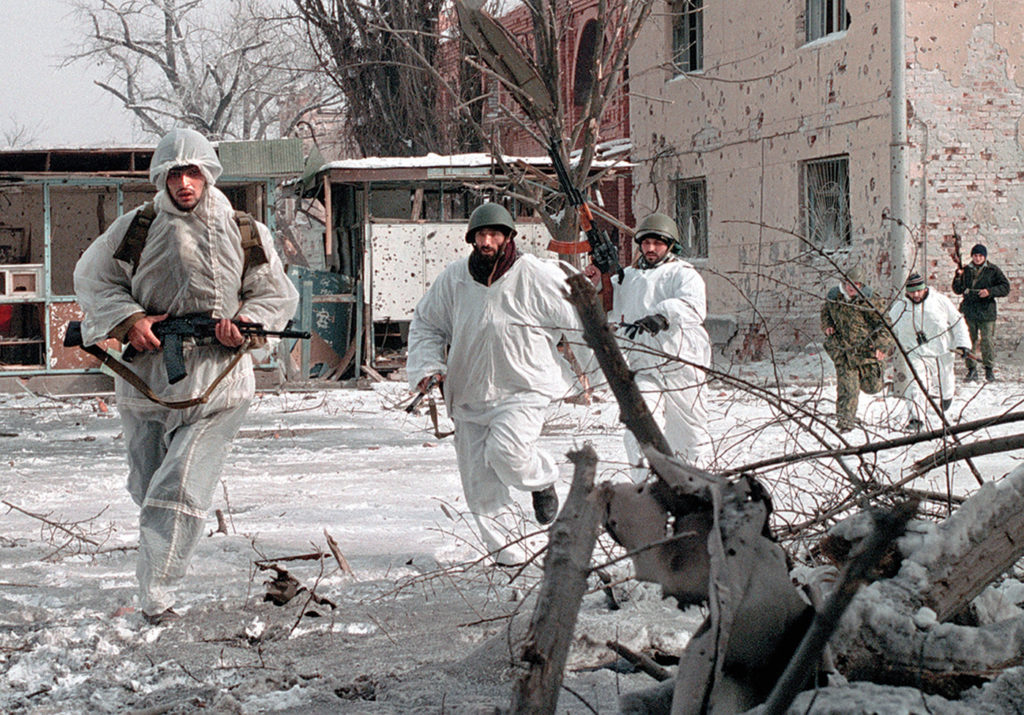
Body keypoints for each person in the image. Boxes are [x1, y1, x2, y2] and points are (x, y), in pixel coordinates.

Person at [73, 128, 299, 624]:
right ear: (161, 178)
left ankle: (158, 595)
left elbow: (274, 295)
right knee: (148, 484)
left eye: (192, 171)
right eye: (174, 173)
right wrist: (130, 320)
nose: (183, 183)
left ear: (208, 173)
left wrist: (244, 326)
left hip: (219, 379)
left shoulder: (243, 229)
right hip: (150, 376)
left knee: (180, 488)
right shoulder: (137, 226)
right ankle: (160, 562)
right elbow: (93, 279)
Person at [406, 203, 585, 566]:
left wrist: (601, 373)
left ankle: (541, 479)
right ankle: (510, 559)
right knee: (480, 487)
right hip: (469, 392)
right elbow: (427, 324)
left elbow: (579, 319)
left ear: (508, 237)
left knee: (509, 454)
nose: (487, 242)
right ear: (471, 239)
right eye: (481, 236)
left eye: (494, 235)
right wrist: (428, 366)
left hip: (523, 386)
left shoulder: (535, 274)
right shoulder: (454, 278)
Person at [612, 212, 712, 475]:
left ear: (670, 245)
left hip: (682, 367)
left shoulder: (683, 274)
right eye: (646, 243)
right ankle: (647, 490)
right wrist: (595, 279)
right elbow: (605, 302)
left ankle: (696, 490)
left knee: (689, 438)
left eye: (658, 243)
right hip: (644, 367)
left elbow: (693, 306)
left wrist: (663, 315)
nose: (651, 248)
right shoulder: (628, 277)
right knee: (639, 430)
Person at [887, 272, 971, 432]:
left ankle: (946, 406)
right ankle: (916, 418)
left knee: (945, 382)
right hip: (915, 351)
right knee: (916, 384)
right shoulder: (899, 307)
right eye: (912, 292)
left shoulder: (940, 301)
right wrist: (882, 348)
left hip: (941, 350)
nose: (916, 295)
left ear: (925, 288)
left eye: (919, 290)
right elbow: (888, 329)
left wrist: (963, 344)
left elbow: (958, 322)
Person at [821, 265, 894, 432]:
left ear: (862, 285)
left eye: (856, 284)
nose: (850, 288)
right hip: (844, 351)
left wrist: (881, 346)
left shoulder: (870, 300)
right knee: (848, 389)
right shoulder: (835, 297)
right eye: (848, 283)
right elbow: (825, 312)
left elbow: (885, 326)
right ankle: (845, 423)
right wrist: (828, 325)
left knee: (872, 387)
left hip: (866, 351)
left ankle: (879, 379)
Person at [951, 243, 1010, 382]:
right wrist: (958, 276)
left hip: (986, 311)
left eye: (980, 256)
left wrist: (989, 292)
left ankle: (989, 369)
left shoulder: (993, 270)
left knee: (987, 341)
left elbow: (1005, 287)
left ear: (985, 257)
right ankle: (971, 369)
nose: (977, 258)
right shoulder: (966, 270)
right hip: (970, 310)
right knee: (969, 341)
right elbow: (957, 289)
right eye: (975, 255)